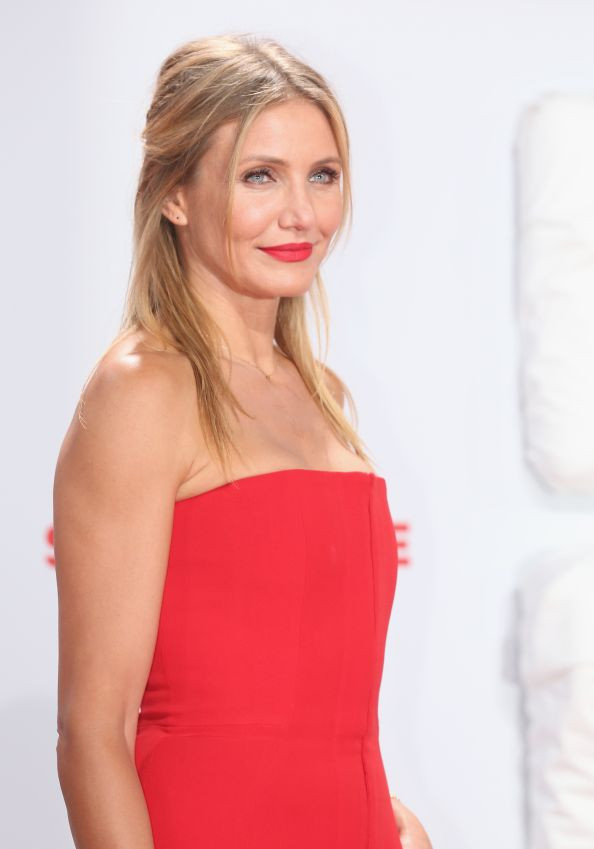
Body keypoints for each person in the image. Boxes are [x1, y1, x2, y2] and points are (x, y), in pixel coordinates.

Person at [53, 33, 433, 849]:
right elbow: (93, 732)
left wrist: (392, 821)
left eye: (322, 175)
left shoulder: (327, 397)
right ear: (175, 195)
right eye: (259, 176)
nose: (301, 213)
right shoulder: (143, 392)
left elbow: (314, 709)